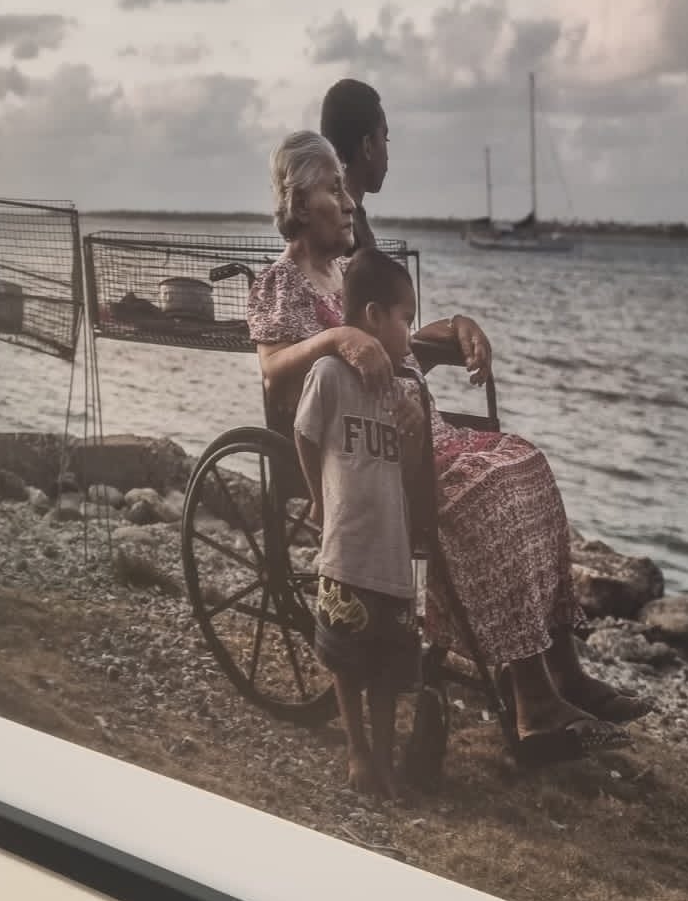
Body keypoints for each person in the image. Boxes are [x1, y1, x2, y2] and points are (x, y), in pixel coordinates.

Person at [249, 130, 646, 759]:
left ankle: (562, 671)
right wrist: (335, 341)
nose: (348, 202)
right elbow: (273, 370)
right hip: (360, 450)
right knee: (484, 496)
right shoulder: (282, 284)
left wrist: (457, 328)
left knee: (526, 466)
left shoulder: (353, 273)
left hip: (412, 428)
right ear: (299, 202)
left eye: (344, 189)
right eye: (332, 190)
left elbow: (399, 340)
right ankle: (532, 702)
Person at [293, 248, 422, 799]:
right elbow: (304, 434)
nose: (410, 335)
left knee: (389, 668)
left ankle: (386, 759)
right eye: (405, 320)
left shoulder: (406, 389)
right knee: (346, 660)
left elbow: (411, 469)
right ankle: (357, 749)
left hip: (392, 555)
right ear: (373, 316)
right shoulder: (329, 375)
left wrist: (416, 428)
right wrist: (318, 498)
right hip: (347, 547)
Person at [319, 77, 387, 253]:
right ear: (367, 146)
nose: (387, 156)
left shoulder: (323, 221)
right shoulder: (346, 229)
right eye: (385, 138)